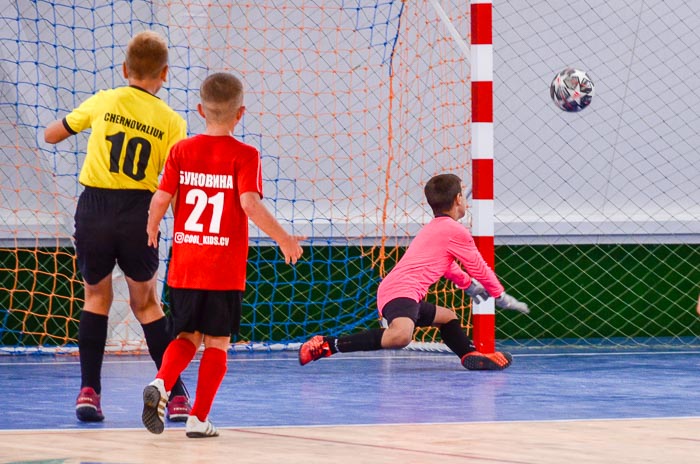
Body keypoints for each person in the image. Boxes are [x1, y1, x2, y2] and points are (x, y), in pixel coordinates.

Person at [140, 72, 304, 438]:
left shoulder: (180, 150)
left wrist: (152, 227)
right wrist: (284, 238)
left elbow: (161, 198)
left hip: (184, 266)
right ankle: (198, 419)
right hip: (222, 270)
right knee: (217, 343)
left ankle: (162, 382)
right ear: (240, 113)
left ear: (200, 110)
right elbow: (249, 203)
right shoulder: (245, 155)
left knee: (185, 337)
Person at [43, 30, 191, 422]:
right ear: (165, 74)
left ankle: (89, 392)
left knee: (96, 299)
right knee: (146, 304)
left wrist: (80, 125)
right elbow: (175, 184)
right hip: (139, 211)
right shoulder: (173, 122)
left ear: (125, 69)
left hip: (94, 206)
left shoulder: (105, 99)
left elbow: (52, 135)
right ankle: (175, 395)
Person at [298, 173, 529, 370]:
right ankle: (328, 344)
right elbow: (478, 266)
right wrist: (500, 295)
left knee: (447, 317)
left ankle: (469, 354)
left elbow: (445, 265)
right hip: (402, 291)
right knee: (400, 336)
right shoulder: (454, 231)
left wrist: (467, 285)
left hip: (402, 292)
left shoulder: (436, 229)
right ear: (459, 199)